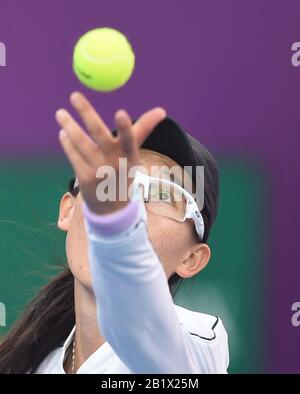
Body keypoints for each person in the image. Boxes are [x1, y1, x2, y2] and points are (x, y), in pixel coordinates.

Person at [0, 92, 229, 374]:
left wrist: (117, 227)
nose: (127, 203)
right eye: (112, 184)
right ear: (68, 211)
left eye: (163, 194)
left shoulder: (197, 346)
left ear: (191, 258)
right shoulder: (28, 365)